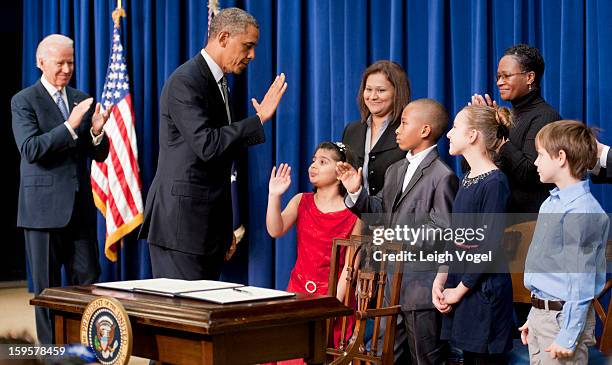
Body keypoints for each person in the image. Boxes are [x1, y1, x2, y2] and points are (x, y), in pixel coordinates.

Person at [139, 8, 287, 280]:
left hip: (205, 229)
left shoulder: (218, 83)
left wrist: (222, 230)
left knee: (202, 317)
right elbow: (207, 145)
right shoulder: (186, 81)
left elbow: (220, 163)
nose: (252, 55)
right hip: (180, 229)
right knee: (181, 317)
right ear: (223, 37)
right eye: (248, 46)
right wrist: (258, 119)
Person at [338, 99, 458, 365]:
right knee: (384, 357)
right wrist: (356, 190)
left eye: (404, 123)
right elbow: (379, 212)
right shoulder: (395, 170)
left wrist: (398, 237)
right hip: (388, 287)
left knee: (425, 359)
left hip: (420, 290)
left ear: (425, 130)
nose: (397, 130)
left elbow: (442, 230)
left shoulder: (442, 175)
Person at [11, 34, 110, 345]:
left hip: (79, 209)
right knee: (47, 289)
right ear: (41, 63)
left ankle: (85, 347)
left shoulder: (81, 98)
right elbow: (31, 149)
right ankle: (52, 353)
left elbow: (99, 154)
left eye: (71, 62)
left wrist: (95, 132)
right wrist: (70, 125)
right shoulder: (24, 101)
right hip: (41, 212)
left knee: (89, 281)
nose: (67, 69)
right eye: (60, 63)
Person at [520, 120, 609, 364]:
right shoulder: (551, 203)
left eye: (539, 155)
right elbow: (547, 274)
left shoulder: (583, 212)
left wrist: (568, 335)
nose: (535, 162)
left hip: (562, 324)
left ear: (560, 157)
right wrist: (535, 314)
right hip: (542, 317)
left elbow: (581, 281)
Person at [433, 105, 515, 364]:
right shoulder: (467, 178)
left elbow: (488, 245)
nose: (448, 134)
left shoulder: (495, 183)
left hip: (484, 293)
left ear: (472, 136)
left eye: (455, 128)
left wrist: (459, 290)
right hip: (464, 289)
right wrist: (441, 277)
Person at [266, 142, 360, 359]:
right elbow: (275, 229)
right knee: (290, 354)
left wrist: (331, 307)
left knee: (322, 353)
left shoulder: (354, 215)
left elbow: (349, 269)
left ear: (340, 172)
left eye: (323, 161)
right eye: (313, 160)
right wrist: (274, 196)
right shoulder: (302, 200)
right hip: (298, 293)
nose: (313, 166)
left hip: (333, 298)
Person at [471, 44, 561, 214]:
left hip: (527, 223)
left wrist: (499, 140)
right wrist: (482, 125)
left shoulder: (545, 117)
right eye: (498, 76)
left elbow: (530, 173)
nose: (499, 82)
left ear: (529, 77)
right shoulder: (506, 116)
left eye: (506, 76)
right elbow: (473, 167)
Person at [342, 60, 411, 198]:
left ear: (397, 93)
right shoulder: (351, 130)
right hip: (354, 215)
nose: (372, 97)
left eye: (381, 90)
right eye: (368, 89)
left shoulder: (409, 130)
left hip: (394, 217)